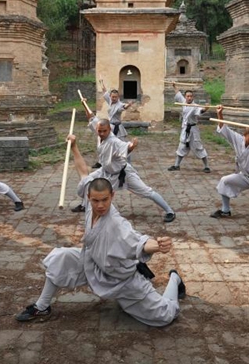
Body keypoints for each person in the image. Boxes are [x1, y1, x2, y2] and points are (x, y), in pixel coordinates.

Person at [15, 139, 186, 326]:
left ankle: (174, 279)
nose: (100, 205)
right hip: (93, 263)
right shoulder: (90, 202)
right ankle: (42, 306)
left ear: (112, 195)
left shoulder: (117, 224)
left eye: (105, 200)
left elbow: (139, 242)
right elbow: (82, 171)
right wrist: (73, 146)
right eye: (95, 201)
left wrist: (158, 246)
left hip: (120, 278)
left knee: (164, 316)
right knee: (61, 258)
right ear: (88, 197)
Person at [75, 107, 176, 223]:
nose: (102, 133)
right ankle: (85, 205)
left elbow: (127, 147)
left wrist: (133, 145)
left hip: (123, 173)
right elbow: (91, 117)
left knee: (146, 191)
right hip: (105, 171)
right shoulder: (99, 130)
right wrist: (83, 104)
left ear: (110, 130)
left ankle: (170, 211)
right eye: (99, 131)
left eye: (104, 131)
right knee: (87, 182)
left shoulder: (114, 141)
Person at [168, 83, 210, 173]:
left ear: (193, 97)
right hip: (185, 129)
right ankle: (176, 165)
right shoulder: (183, 102)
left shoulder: (195, 106)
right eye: (188, 96)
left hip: (193, 130)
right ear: (185, 97)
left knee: (198, 147)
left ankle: (207, 166)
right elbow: (178, 93)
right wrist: (174, 86)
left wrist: (205, 108)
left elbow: (201, 110)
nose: (189, 98)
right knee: (182, 146)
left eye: (191, 96)